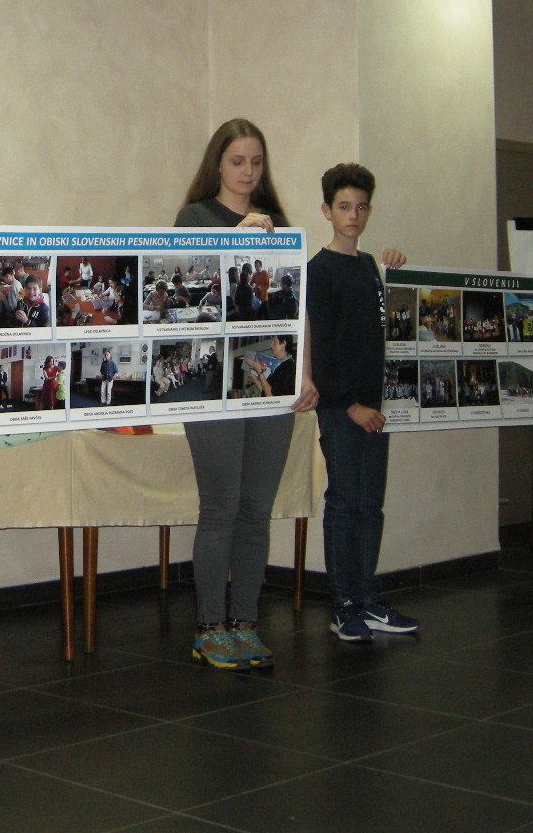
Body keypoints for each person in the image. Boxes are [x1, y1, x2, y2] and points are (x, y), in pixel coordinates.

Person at [174, 117, 316, 670]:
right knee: (221, 507)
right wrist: (236, 238)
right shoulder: (195, 218)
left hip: (268, 382)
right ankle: (209, 626)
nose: (248, 172)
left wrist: (304, 374)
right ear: (217, 164)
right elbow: (195, 292)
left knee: (257, 510)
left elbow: (297, 310)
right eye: (238, 161)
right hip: (214, 385)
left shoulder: (277, 224)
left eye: (257, 162)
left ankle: (245, 623)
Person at [305, 163, 419, 643]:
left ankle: (368, 597)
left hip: (376, 406)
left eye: (362, 207)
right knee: (345, 504)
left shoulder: (371, 265)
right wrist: (349, 404)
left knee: (371, 506)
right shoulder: (318, 270)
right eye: (344, 207)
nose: (353, 216)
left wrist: (396, 270)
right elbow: (322, 348)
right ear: (327, 210)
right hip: (341, 409)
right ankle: (344, 604)